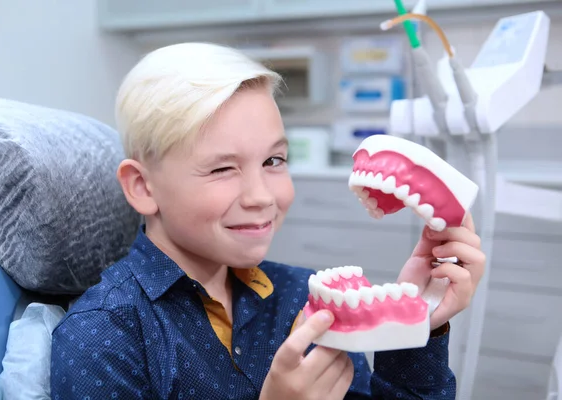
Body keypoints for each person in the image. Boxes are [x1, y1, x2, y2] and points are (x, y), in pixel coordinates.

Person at [50, 42, 485, 400]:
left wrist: (420, 319)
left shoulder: (305, 297)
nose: (262, 196)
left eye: (274, 160)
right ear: (143, 187)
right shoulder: (101, 338)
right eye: (222, 168)